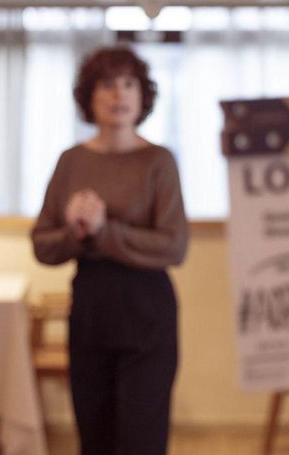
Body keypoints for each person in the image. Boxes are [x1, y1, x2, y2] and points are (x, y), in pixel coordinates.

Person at [31, 46, 188, 455]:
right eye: (107, 85)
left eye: (129, 84)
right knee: (93, 436)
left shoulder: (159, 160)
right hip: (90, 309)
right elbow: (43, 245)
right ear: (89, 96)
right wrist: (76, 232)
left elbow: (175, 245)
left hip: (148, 311)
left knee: (141, 438)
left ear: (143, 95)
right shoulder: (71, 161)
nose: (119, 95)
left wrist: (104, 232)